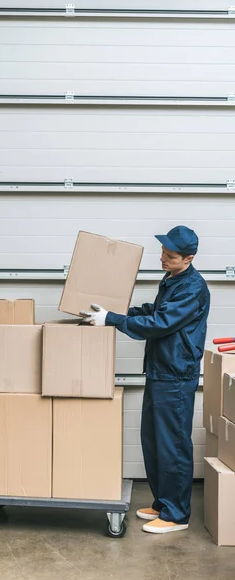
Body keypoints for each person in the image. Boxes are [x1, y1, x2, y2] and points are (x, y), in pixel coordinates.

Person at [81, 225, 210, 534]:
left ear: (188, 258)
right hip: (160, 370)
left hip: (176, 375)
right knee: (152, 440)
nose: (162, 258)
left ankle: (176, 514)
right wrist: (116, 311)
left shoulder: (192, 287)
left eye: (170, 255)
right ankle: (164, 502)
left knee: (173, 445)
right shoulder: (173, 279)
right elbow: (155, 310)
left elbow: (161, 323)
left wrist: (112, 321)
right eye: (163, 252)